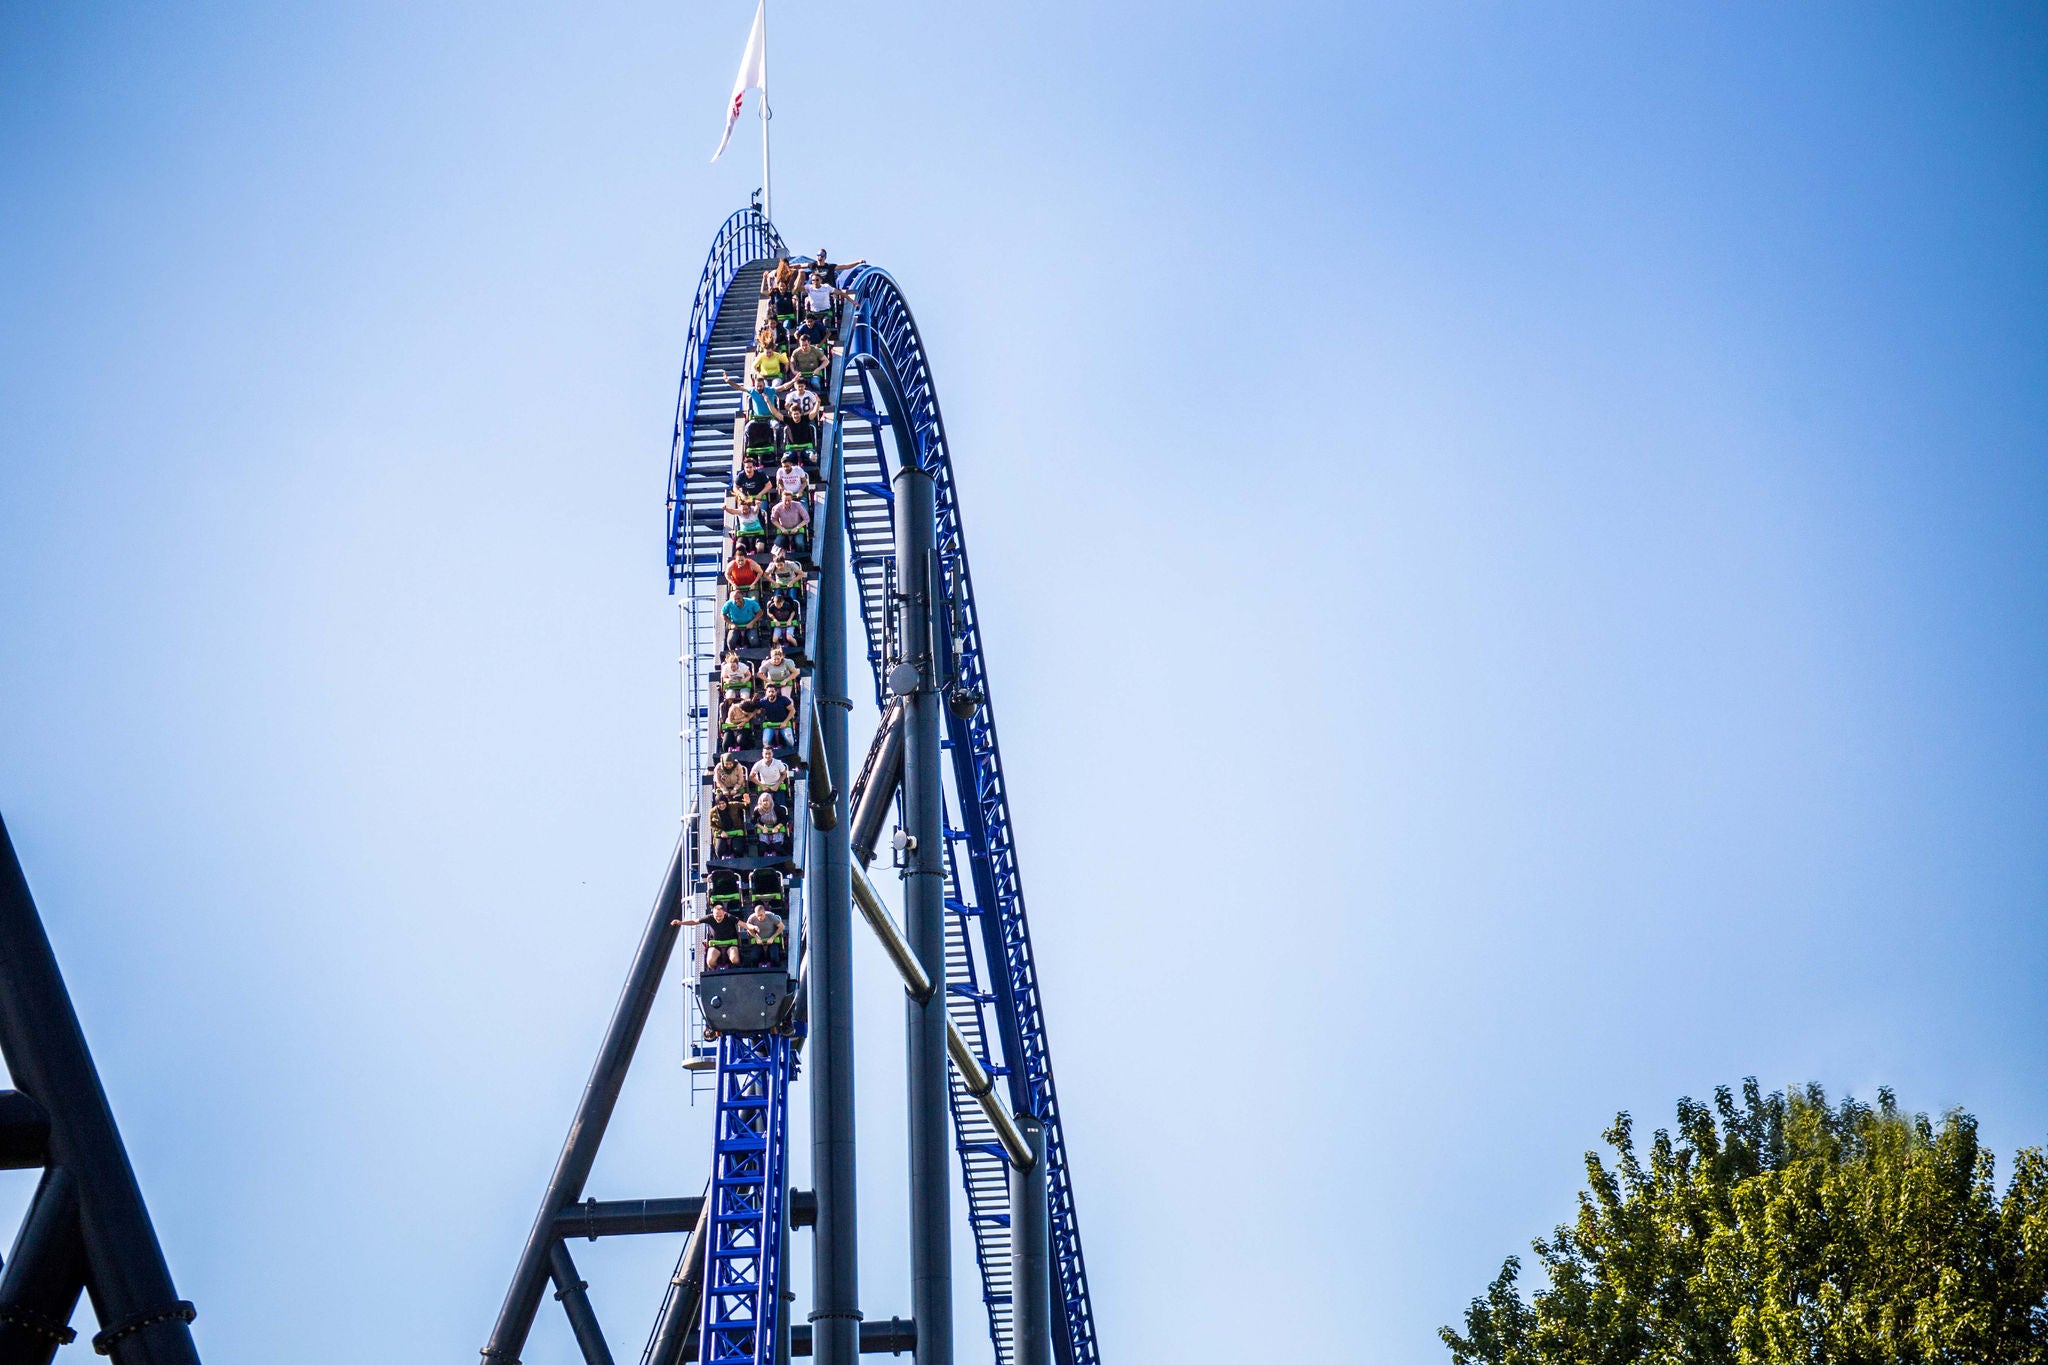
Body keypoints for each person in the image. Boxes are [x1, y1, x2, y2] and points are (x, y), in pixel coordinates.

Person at [674, 901, 746, 972]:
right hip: (716, 944)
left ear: (724, 913)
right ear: (713, 914)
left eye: (720, 916)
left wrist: (752, 927)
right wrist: (680, 922)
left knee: (735, 959)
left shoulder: (729, 917)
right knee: (710, 962)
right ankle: (717, 971)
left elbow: (743, 924)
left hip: (730, 944)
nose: (718, 918)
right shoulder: (709, 918)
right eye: (716, 916)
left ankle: (735, 969)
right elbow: (694, 921)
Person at [743, 901, 788, 969]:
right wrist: (756, 937)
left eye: (761, 915)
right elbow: (748, 928)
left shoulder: (771, 916)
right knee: (753, 958)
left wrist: (773, 937)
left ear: (764, 912)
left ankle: (777, 969)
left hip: (772, 940)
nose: (760, 917)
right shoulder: (752, 918)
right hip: (758, 941)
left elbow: (782, 927)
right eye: (758, 915)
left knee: (774, 958)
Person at [755, 684, 795, 749]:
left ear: (776, 692)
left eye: (773, 692)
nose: (771, 694)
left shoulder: (783, 699)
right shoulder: (763, 701)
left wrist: (785, 722)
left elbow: (792, 711)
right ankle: (769, 751)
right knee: (765, 741)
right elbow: (755, 710)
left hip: (783, 723)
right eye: (769, 692)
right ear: (766, 693)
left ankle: (790, 751)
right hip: (770, 725)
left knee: (790, 740)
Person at [750, 792, 788, 859]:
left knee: (778, 848)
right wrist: (761, 827)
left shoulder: (776, 807)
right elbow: (753, 820)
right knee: (762, 849)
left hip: (777, 828)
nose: (765, 803)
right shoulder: (758, 810)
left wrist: (777, 827)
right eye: (763, 801)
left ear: (770, 800)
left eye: (767, 800)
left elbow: (785, 819)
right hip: (764, 829)